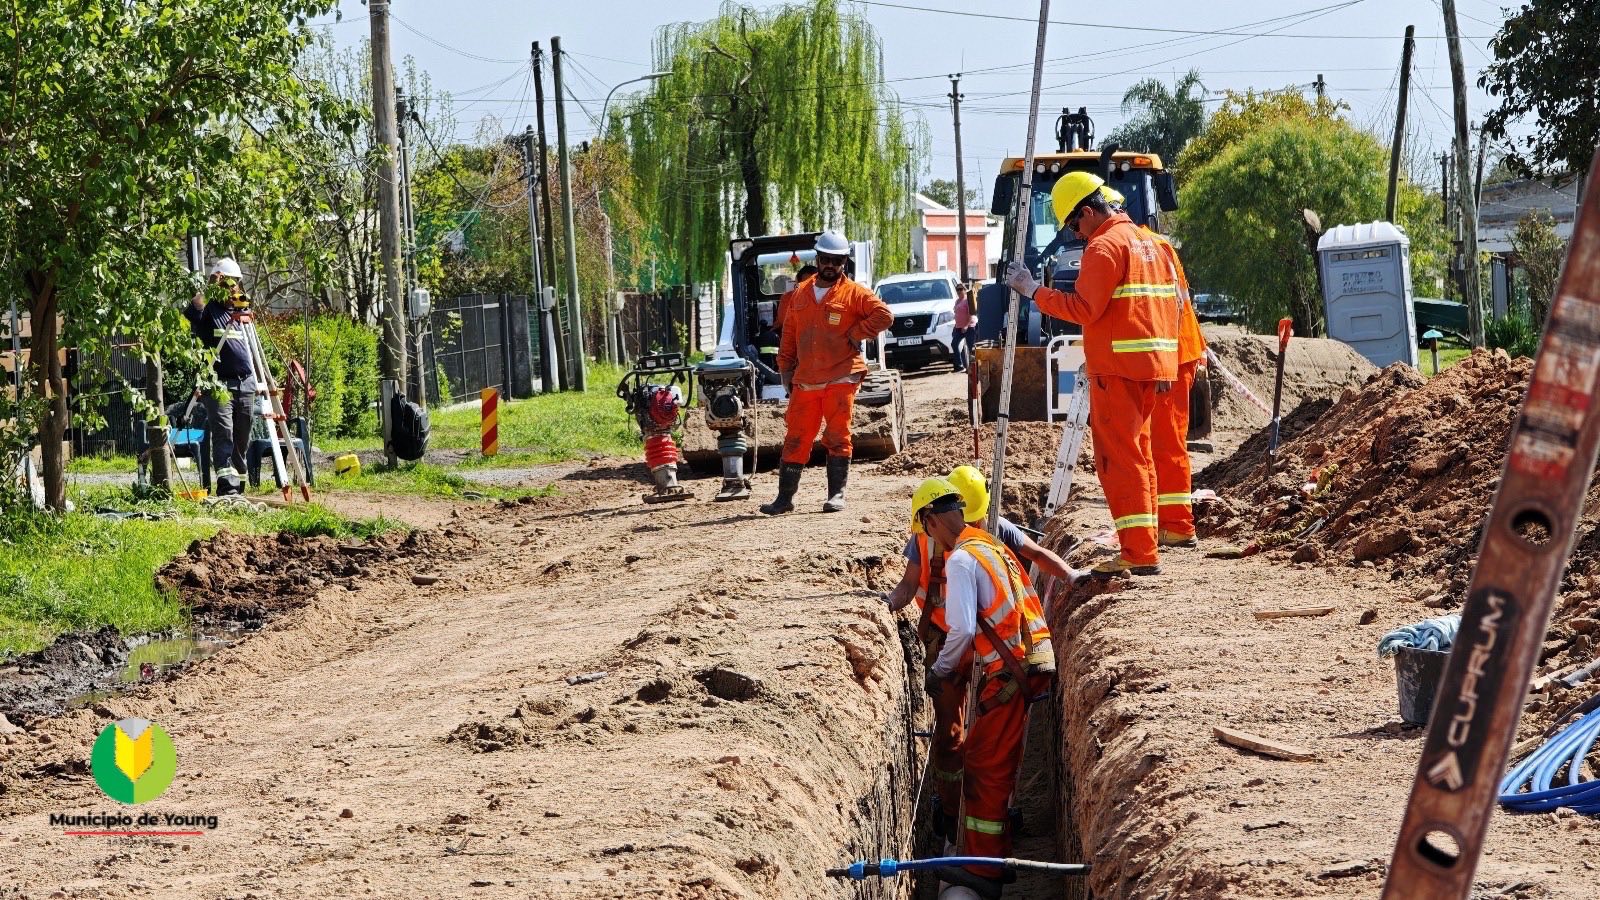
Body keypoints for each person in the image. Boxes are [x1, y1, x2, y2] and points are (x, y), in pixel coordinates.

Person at [1004, 172, 1179, 577]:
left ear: (1087, 211)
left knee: (1120, 460)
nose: (1077, 235)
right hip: (1152, 365)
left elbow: (1084, 309)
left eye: (1074, 225)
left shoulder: (1104, 246)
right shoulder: (1149, 242)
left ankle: (1138, 552)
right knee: (1140, 455)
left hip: (1118, 369)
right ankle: (1145, 542)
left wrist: (1033, 291)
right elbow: (1168, 308)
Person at [915, 480, 1055, 899]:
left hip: (1009, 671)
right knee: (988, 761)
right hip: (1026, 661)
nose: (929, 540)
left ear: (932, 520)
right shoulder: (989, 545)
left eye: (926, 530)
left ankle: (982, 868)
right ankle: (988, 859)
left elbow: (961, 629)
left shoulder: (961, 560)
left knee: (984, 769)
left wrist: (941, 669)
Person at [762, 231, 892, 515]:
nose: (831, 265)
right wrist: (785, 369)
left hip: (841, 376)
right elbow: (789, 334)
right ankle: (784, 499)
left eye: (837, 261)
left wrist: (856, 333)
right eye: (826, 260)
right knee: (796, 438)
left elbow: (884, 316)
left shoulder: (855, 293)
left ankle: (836, 496)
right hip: (806, 379)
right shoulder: (800, 293)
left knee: (837, 435)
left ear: (844, 262)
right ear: (818, 259)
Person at [183, 257, 256, 497]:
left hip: (245, 383)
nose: (232, 288)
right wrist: (211, 285)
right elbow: (194, 307)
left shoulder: (239, 312)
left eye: (235, 283)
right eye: (228, 283)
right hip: (218, 385)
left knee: (242, 437)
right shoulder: (209, 311)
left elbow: (250, 345)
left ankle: (239, 484)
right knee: (224, 433)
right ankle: (227, 488)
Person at [951, 285, 975, 373]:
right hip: (958, 327)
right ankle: (959, 366)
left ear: (964, 290)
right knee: (954, 344)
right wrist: (956, 325)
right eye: (957, 289)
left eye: (961, 289)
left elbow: (971, 314)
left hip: (969, 327)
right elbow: (956, 314)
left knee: (970, 347)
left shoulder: (967, 300)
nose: (959, 291)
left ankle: (973, 368)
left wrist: (966, 326)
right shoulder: (957, 301)